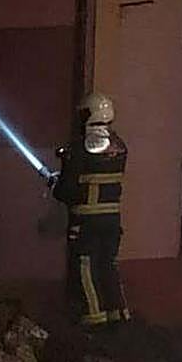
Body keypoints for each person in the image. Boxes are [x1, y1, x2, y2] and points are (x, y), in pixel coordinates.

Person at [51, 92, 130, 326]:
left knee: (85, 267)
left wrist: (55, 182)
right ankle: (119, 314)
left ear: (87, 115)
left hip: (86, 221)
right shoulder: (119, 146)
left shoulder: (77, 149)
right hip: (112, 221)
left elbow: (66, 190)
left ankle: (94, 318)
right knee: (109, 265)